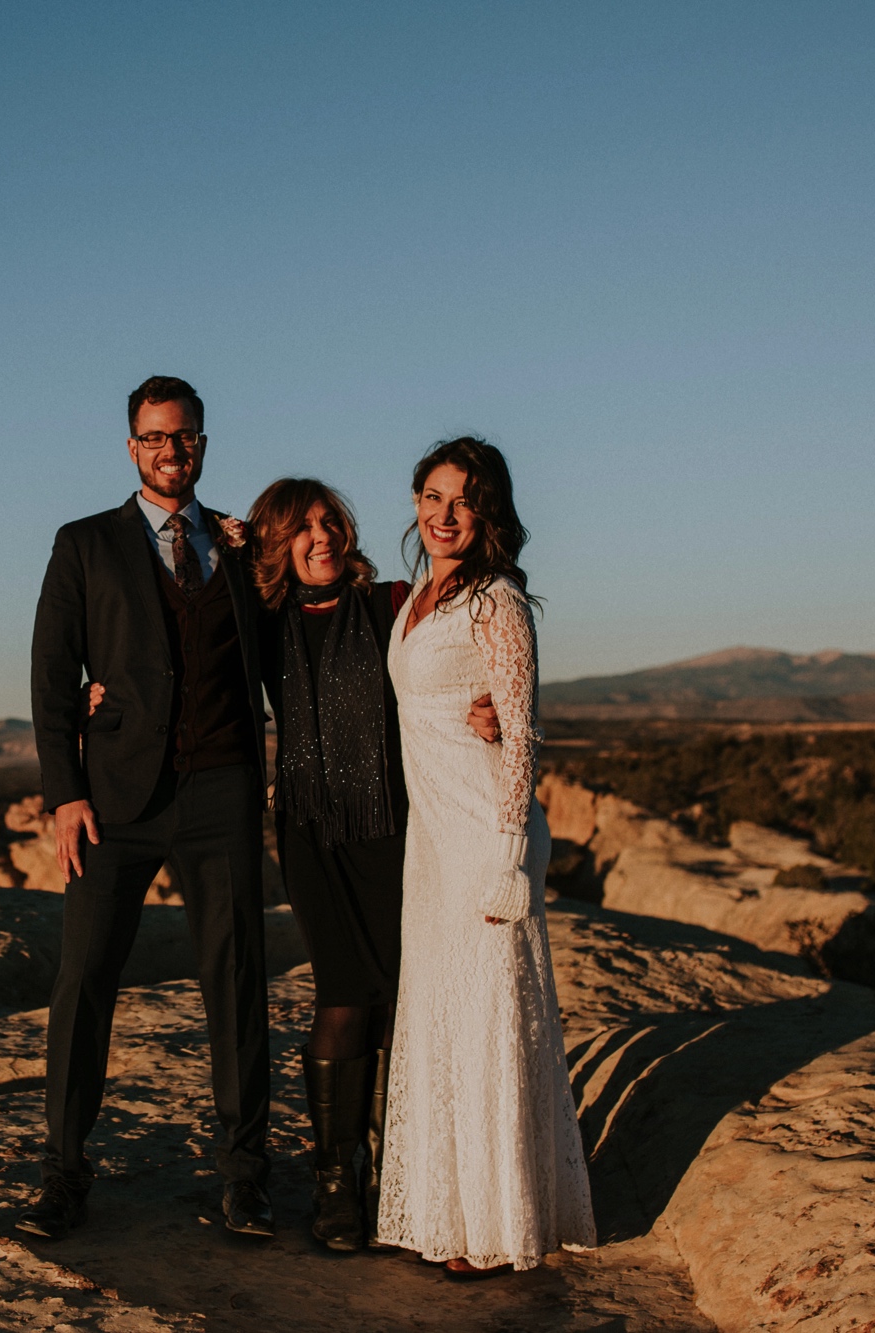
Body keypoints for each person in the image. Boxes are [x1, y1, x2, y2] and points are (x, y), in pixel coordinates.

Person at [22, 375, 275, 1241]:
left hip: (223, 789)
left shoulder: (241, 546)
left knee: (235, 981)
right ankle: (63, 1172)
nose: (174, 451)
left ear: (204, 443)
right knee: (84, 978)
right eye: (158, 437)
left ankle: (245, 1176)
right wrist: (65, 792)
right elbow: (53, 675)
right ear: (132, 446)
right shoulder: (84, 544)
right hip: (116, 801)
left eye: (188, 437)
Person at [245, 477, 499, 1253]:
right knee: (343, 996)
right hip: (314, 833)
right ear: (276, 545)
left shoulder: (395, 602)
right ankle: (336, 1183)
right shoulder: (260, 622)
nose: (322, 536)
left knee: (408, 999)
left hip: (398, 828)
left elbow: (462, 655)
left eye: (330, 521)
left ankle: (405, 1174)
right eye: (301, 529)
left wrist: (490, 702)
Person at [375, 437, 596, 1275]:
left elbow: (520, 737)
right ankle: (448, 1209)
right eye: (432, 496)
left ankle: (497, 1222)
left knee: (488, 1018)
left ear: (490, 513)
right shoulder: (419, 597)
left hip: (483, 830)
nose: (444, 513)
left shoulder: (496, 600)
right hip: (431, 837)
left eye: (463, 500)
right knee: (440, 1014)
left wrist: (508, 853)